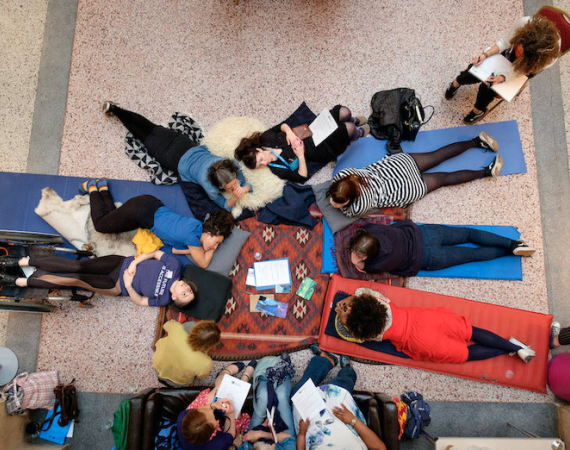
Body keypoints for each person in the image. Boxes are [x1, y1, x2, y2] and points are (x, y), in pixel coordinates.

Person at [102, 102, 252, 210]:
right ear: (219, 186)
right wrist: (235, 197)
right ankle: (116, 111)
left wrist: (243, 188)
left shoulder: (227, 164)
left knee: (151, 128)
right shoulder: (210, 186)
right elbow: (225, 205)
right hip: (171, 157)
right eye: (231, 186)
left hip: (182, 143)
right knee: (144, 135)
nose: (234, 186)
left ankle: (115, 109)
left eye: (233, 184)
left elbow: (243, 182)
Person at [335, 288, 536, 364]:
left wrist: (343, 317)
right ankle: (516, 348)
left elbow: (358, 335)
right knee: (470, 331)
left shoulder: (373, 334)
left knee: (464, 354)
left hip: (420, 342)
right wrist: (347, 302)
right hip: (425, 319)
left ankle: (514, 349)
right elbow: (361, 292)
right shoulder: (379, 301)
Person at [327, 132, 503, 217]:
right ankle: (476, 141)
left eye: (336, 200)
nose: (332, 202)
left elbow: (348, 212)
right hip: (399, 165)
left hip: (407, 189)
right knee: (437, 155)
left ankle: (486, 171)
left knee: (444, 179)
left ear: (350, 200)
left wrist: (341, 206)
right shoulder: (344, 174)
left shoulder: (357, 207)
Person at [81, 179, 234, 268]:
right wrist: (209, 250)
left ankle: (102, 186)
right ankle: (92, 188)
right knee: (101, 226)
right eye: (216, 242)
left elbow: (175, 250)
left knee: (112, 219)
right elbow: (203, 263)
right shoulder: (192, 238)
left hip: (150, 205)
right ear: (208, 233)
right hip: (139, 212)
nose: (214, 247)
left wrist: (200, 248)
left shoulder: (195, 227)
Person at [445, 15, 561, 123]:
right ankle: (456, 83)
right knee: (476, 68)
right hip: (509, 54)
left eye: (522, 53)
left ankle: (478, 111)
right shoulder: (524, 24)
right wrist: (485, 55)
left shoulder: (549, 57)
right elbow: (503, 43)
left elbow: (525, 71)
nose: (519, 52)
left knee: (489, 87)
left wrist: (502, 77)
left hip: (525, 68)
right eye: (520, 48)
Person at [0, 250, 196, 308]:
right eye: (190, 289)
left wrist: (128, 284)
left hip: (117, 285)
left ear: (176, 298)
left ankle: (24, 282)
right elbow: (154, 253)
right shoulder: (175, 267)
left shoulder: (163, 299)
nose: (187, 289)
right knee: (79, 265)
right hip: (121, 264)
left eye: (186, 295)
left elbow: (140, 301)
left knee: (76, 279)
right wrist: (135, 264)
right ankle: (24, 261)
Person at [347, 220, 535, 276]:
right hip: (426, 234)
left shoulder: (378, 263)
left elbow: (363, 268)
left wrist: (359, 261)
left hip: (429, 258)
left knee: (473, 255)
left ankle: (509, 252)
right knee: (469, 233)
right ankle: (513, 244)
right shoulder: (373, 229)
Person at [234, 106, 368, 183]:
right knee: (348, 128)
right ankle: (356, 133)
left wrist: (289, 133)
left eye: (261, 159)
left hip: (311, 131)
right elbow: (302, 177)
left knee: (344, 112)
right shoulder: (277, 169)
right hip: (318, 149)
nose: (264, 163)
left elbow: (282, 126)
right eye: (260, 165)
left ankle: (352, 121)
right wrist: (300, 156)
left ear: (259, 149)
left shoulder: (266, 138)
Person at [292, 345, 387, 450]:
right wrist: (353, 420)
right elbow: (380, 448)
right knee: (338, 386)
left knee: (298, 392)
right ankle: (347, 370)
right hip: (344, 421)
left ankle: (325, 360)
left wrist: (302, 433)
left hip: (313, 429)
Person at [177, 360, 257, 450]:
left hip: (200, 428)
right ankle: (245, 379)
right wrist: (230, 414)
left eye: (204, 407)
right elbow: (230, 435)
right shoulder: (218, 445)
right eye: (212, 414)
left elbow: (208, 410)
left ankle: (225, 372)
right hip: (216, 430)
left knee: (219, 387)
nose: (211, 407)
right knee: (237, 404)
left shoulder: (182, 417)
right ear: (214, 430)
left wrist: (213, 405)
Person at [238, 355, 296, 450]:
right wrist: (263, 434)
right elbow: (289, 439)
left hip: (253, 439)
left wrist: (261, 429)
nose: (274, 445)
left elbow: (245, 440)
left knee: (263, 396)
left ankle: (266, 376)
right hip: (284, 438)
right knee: (281, 396)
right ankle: (282, 373)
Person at [153, 320, 221, 386]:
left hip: (157, 365)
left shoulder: (176, 328)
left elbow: (166, 325)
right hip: (178, 381)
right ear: (209, 346)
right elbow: (202, 376)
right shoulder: (205, 364)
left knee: (191, 324)